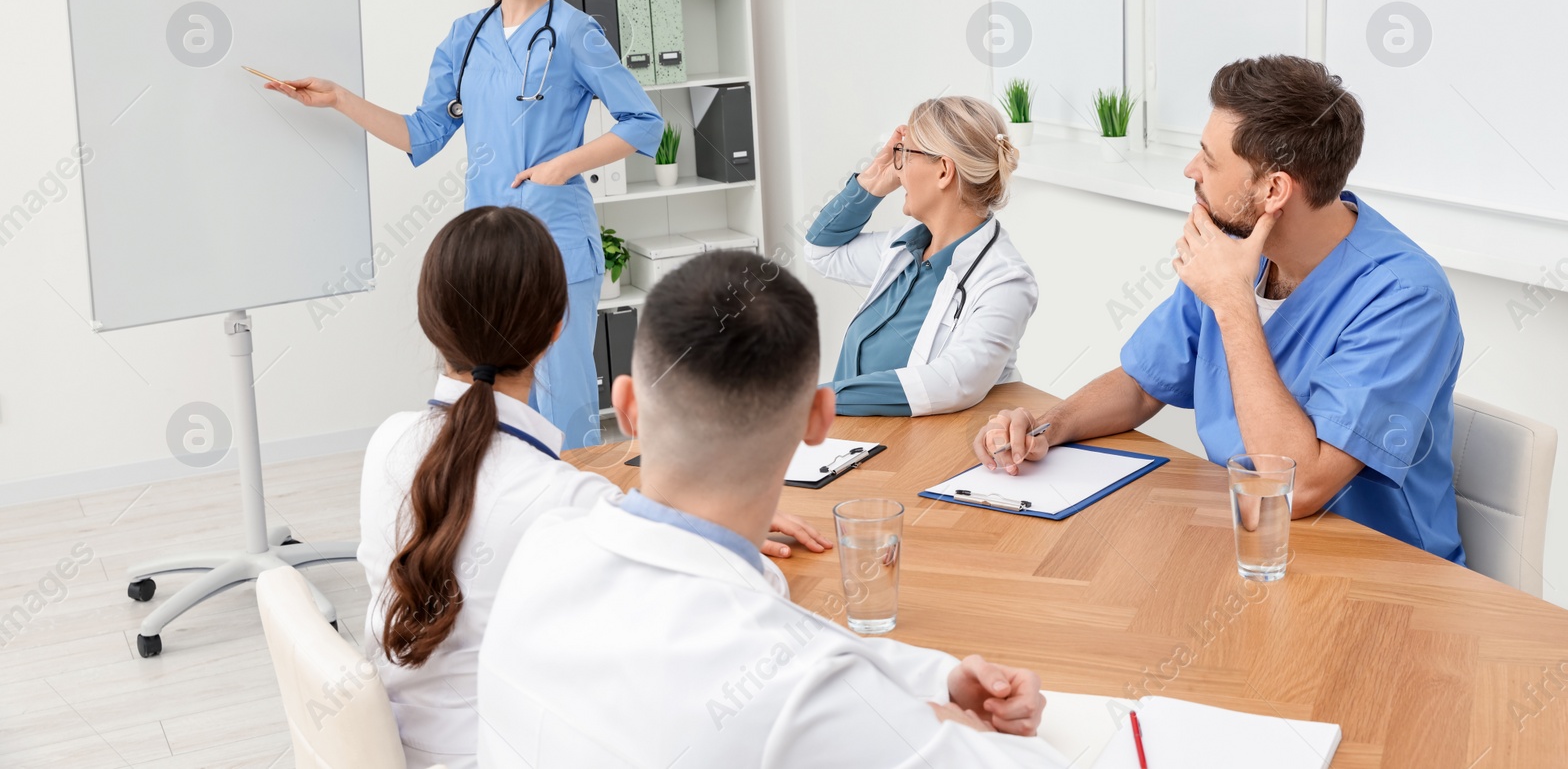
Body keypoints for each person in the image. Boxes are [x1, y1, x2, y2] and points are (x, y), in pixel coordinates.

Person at [476, 250, 1067, 768]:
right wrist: (950, 721)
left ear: (626, 405)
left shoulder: (544, 545)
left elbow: (798, 647)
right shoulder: (795, 686)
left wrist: (936, 678)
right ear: (820, 418)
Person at [357, 208, 832, 769]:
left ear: (429, 321)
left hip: (397, 744)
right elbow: (738, 605)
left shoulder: (386, 444)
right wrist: (720, 519)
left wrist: (670, 521)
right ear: (558, 328)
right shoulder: (567, 504)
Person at [973, 56, 1465, 563]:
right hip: (1247, 545)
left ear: (1273, 190)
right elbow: (1144, 383)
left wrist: (1232, 301)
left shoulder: (1405, 295)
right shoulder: (1239, 247)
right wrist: (1046, 429)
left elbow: (1300, 485)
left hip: (1377, 576)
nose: (1191, 170)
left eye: (1208, 160)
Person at [268, 0, 661, 446]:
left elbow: (644, 121)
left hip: (556, 236)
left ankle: (571, 509)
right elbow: (423, 134)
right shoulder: (465, 36)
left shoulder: (575, 33)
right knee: (485, 385)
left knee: (560, 390)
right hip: (486, 243)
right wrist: (339, 100)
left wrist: (562, 165)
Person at [804, 96, 1038, 416]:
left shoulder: (1005, 282)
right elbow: (821, 251)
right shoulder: (906, 247)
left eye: (904, 154)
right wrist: (872, 180)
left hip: (920, 451)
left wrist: (813, 400)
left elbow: (952, 383)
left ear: (943, 171)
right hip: (849, 434)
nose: (898, 170)